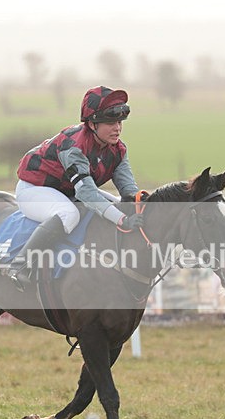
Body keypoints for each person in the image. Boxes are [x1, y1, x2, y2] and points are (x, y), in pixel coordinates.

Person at [9, 85, 144, 290]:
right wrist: (123, 220)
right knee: (68, 214)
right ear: (92, 124)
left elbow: (128, 190)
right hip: (34, 189)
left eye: (119, 122)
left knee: (116, 204)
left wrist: (142, 204)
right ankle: (19, 266)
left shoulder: (118, 149)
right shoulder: (74, 147)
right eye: (110, 122)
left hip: (67, 189)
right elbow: (87, 193)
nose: (117, 128)